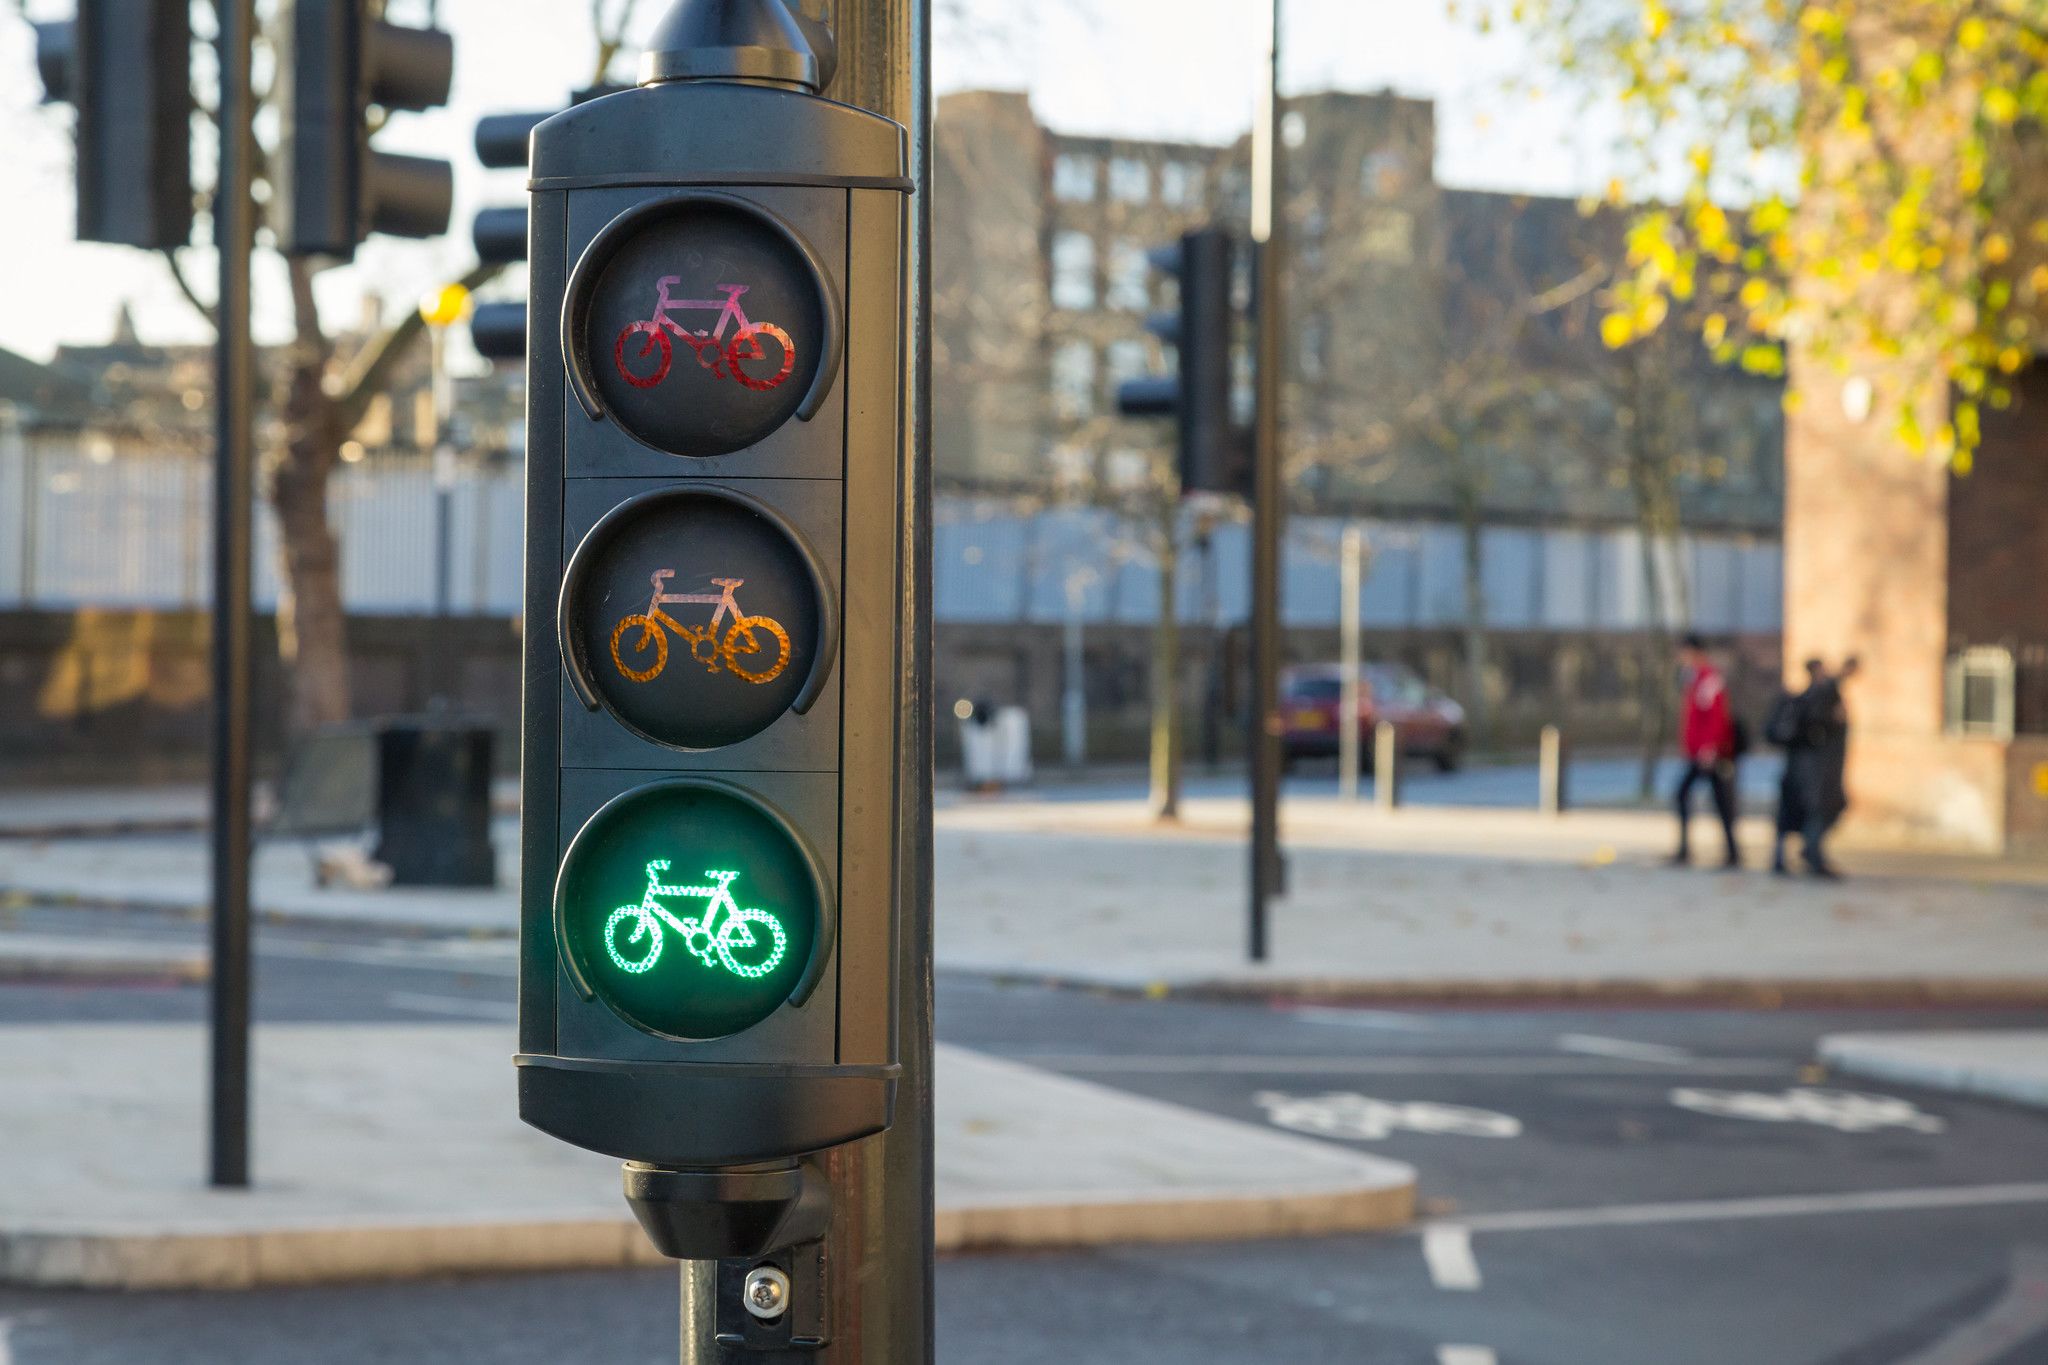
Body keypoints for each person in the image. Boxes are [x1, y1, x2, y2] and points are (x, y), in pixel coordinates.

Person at [1771, 657, 1858, 878]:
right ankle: (1809, 852)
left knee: (1819, 808)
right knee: (1817, 808)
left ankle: (1808, 850)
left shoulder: (1817, 696)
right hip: (1812, 767)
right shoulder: (1812, 698)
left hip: (1813, 766)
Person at [1671, 633, 1741, 869]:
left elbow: (1716, 716)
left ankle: (1729, 852)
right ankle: (1726, 851)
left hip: (1709, 753)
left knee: (1714, 799)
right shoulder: (1691, 679)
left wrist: (1710, 746)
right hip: (1697, 752)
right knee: (1713, 799)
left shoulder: (1709, 678)